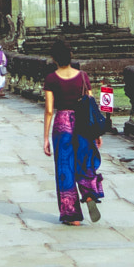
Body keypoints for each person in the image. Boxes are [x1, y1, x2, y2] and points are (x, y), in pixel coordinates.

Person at [40, 41, 104, 224]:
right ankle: (89, 194)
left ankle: (72, 215)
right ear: (70, 57)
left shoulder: (51, 79)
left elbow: (49, 110)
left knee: (64, 168)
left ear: (54, 59)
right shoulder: (83, 76)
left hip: (62, 126)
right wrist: (96, 133)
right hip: (84, 124)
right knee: (84, 162)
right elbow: (92, 104)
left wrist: (45, 138)